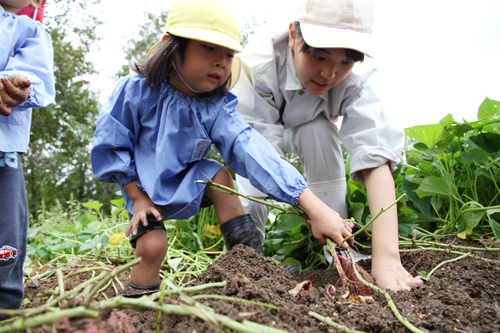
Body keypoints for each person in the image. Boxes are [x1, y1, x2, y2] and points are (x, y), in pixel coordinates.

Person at [91, 0, 355, 292]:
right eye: (209, 48)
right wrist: (136, 196)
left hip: (188, 180)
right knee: (152, 248)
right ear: (172, 46)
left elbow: (250, 149)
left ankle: (250, 264)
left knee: (221, 178)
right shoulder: (136, 90)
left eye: (229, 54)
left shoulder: (216, 108)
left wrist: (308, 203)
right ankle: (140, 301)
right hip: (141, 185)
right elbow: (112, 144)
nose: (221, 61)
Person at [231, 0, 423, 291]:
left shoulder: (358, 79)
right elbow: (259, 156)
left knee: (318, 130)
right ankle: (248, 259)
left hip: (307, 124)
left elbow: (375, 155)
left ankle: (342, 253)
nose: (329, 74)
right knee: (253, 184)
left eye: (345, 61)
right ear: (294, 35)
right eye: (319, 57)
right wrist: (311, 209)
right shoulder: (258, 66)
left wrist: (387, 259)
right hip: (259, 134)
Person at [0, 0, 55, 310]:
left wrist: (15, 84)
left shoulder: (27, 31)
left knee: (5, 226)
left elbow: (34, 75)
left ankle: (5, 303)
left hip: (3, 149)